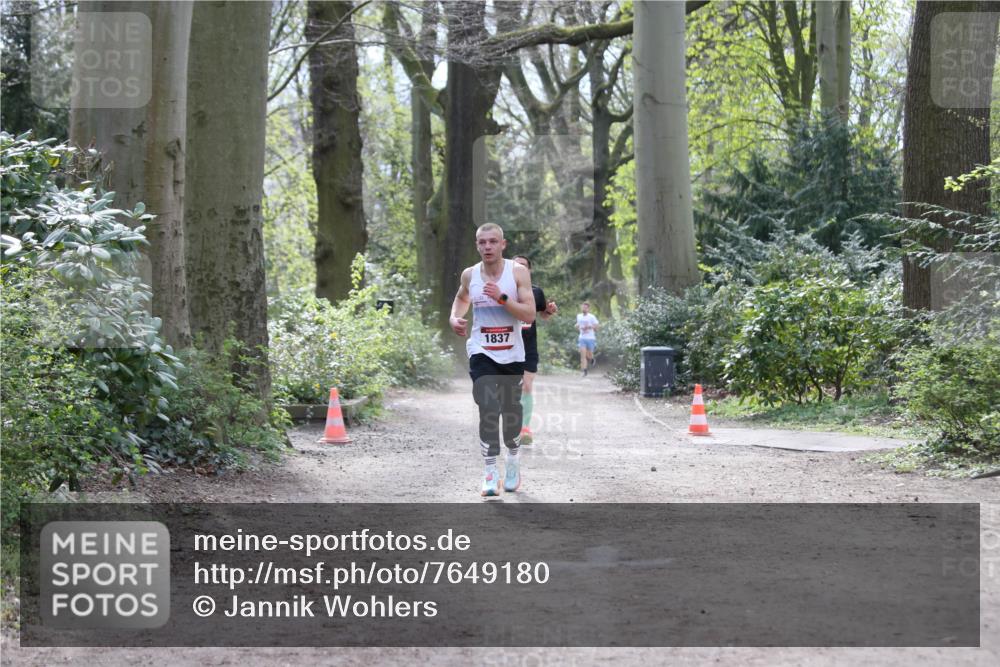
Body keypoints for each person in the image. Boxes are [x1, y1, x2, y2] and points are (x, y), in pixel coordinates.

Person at [449, 224, 536, 498]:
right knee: (487, 407)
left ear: (503, 244)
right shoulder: (470, 274)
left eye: (493, 241)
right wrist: (454, 318)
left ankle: (512, 459)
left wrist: (502, 298)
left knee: (510, 412)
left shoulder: (517, 272)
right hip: (481, 352)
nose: (487, 246)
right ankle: (489, 472)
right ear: (477, 245)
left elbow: (529, 314)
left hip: (512, 355)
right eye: (482, 242)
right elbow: (461, 298)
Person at [511, 255, 558, 445]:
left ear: (529, 271)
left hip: (528, 347)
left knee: (527, 386)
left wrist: (550, 310)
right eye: (515, 265)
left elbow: (543, 313)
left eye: (523, 266)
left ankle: (524, 429)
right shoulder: (502, 290)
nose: (519, 268)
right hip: (506, 347)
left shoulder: (536, 292)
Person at [576, 302, 600, 377]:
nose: (584, 309)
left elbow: (597, 327)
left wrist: (590, 327)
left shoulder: (592, 317)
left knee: (589, 355)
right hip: (582, 338)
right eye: (583, 307)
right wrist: (577, 326)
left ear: (588, 309)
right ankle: (584, 371)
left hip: (590, 338)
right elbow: (578, 324)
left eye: (585, 308)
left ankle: (592, 359)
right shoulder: (579, 316)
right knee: (583, 356)